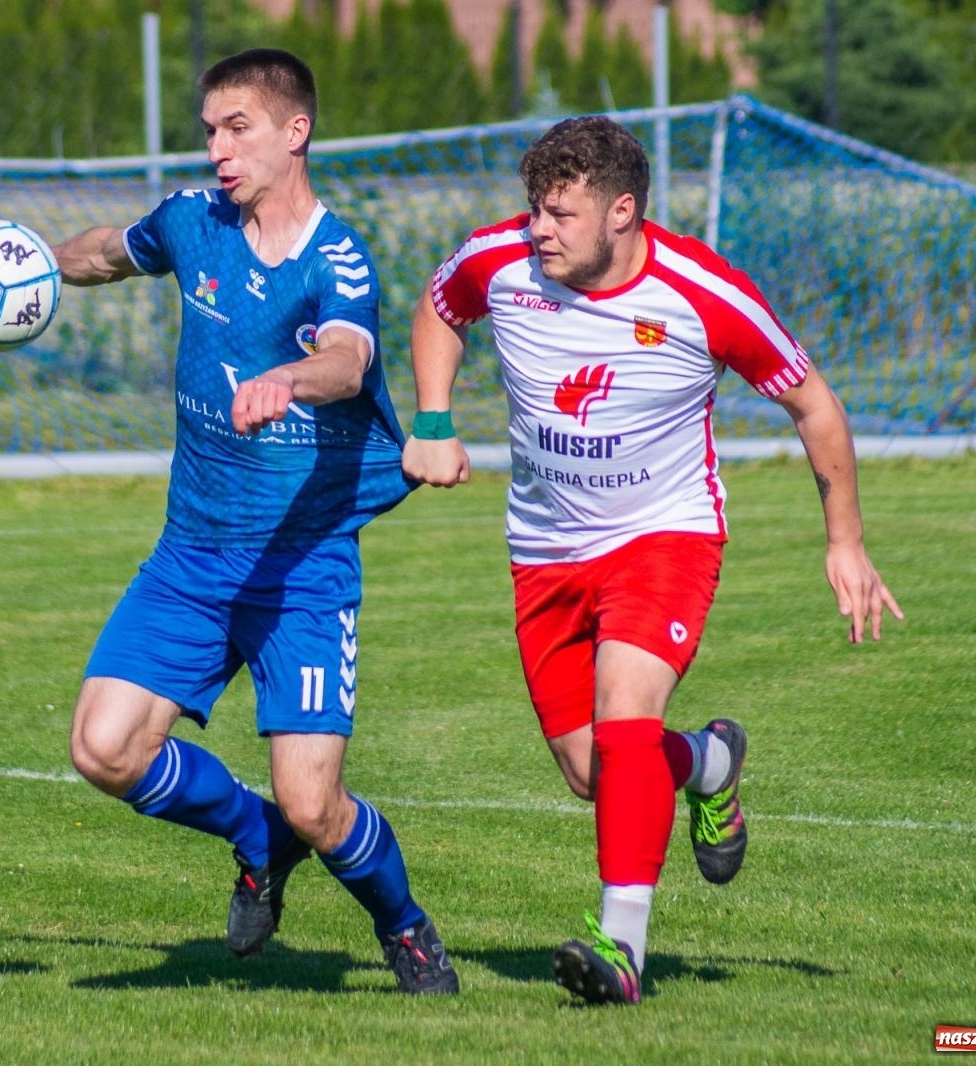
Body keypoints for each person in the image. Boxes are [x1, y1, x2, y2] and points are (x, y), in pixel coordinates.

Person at [401, 115, 901, 1005]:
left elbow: (815, 408)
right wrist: (434, 420)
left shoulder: (704, 295)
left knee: (627, 711)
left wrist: (846, 542)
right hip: (543, 551)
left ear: (622, 211)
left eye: (560, 214)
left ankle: (620, 949)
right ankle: (710, 763)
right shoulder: (499, 262)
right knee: (596, 774)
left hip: (663, 538)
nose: (539, 231)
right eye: (534, 211)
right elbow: (440, 307)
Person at [53, 48, 458, 995]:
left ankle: (402, 924)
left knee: (315, 804)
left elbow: (350, 361)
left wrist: (288, 377)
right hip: (191, 551)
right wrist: (24, 266)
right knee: (102, 749)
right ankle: (250, 833)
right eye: (210, 131)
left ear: (294, 131)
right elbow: (110, 252)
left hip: (303, 566)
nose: (219, 149)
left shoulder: (335, 255)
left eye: (238, 128)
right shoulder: (194, 224)